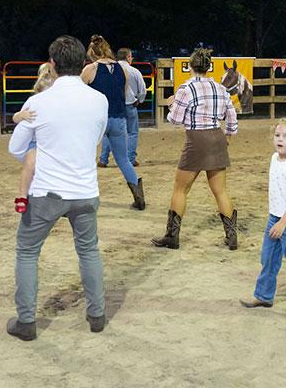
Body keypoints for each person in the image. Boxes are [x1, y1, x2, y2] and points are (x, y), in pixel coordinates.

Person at [6, 35, 109, 341]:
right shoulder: (98, 99)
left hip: (48, 192)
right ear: (84, 64)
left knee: (27, 252)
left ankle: (26, 321)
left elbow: (16, 148)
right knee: (89, 251)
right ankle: (97, 314)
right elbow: (97, 136)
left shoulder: (38, 102)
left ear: (51, 65)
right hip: (85, 190)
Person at [152, 47, 239, 250]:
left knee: (180, 189)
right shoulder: (221, 89)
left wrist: (171, 104)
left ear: (190, 67)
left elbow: (175, 120)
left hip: (196, 140)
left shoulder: (186, 89)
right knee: (220, 191)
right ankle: (231, 236)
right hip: (216, 137)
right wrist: (228, 134)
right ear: (208, 67)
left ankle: (172, 236)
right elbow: (232, 115)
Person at [240, 119, 286, 325]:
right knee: (268, 258)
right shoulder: (275, 158)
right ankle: (263, 295)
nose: (280, 139)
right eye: (277, 135)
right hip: (275, 217)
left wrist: (283, 223)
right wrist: (276, 219)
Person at [80, 35, 145, 210]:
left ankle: (83, 199)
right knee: (123, 160)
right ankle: (138, 197)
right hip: (118, 118)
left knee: (84, 159)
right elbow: (123, 96)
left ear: (92, 52)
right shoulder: (122, 70)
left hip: (97, 120)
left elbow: (79, 95)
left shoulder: (90, 70)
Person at [12, 62, 57, 214]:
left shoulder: (59, 103)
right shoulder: (33, 102)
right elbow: (15, 118)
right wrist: (21, 115)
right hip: (35, 142)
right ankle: (23, 196)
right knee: (30, 163)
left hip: (52, 141)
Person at [99, 48, 147, 168]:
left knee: (109, 133)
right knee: (132, 132)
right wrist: (139, 100)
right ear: (128, 57)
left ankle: (103, 159)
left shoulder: (110, 70)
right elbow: (142, 90)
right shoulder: (134, 71)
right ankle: (130, 159)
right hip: (130, 104)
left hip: (113, 105)